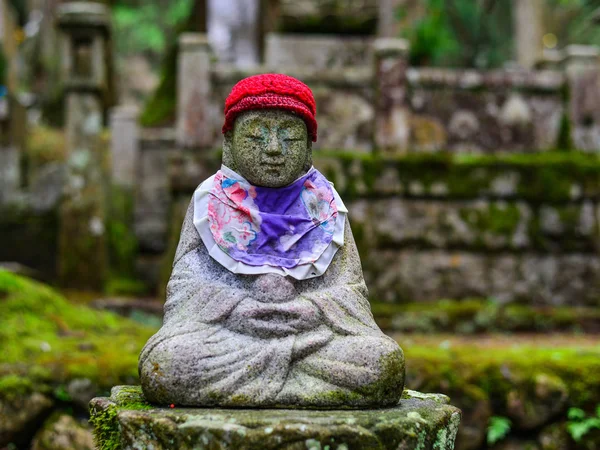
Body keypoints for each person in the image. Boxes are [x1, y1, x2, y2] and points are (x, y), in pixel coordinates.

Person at [139, 74, 404, 408]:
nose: (274, 150)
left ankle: (257, 388)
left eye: (290, 138)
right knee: (169, 365)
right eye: (255, 136)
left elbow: (349, 290)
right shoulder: (210, 203)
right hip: (233, 339)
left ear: (308, 147)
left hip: (311, 337)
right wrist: (238, 309)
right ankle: (301, 390)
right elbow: (186, 287)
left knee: (381, 363)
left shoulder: (325, 206)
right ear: (229, 142)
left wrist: (311, 309)